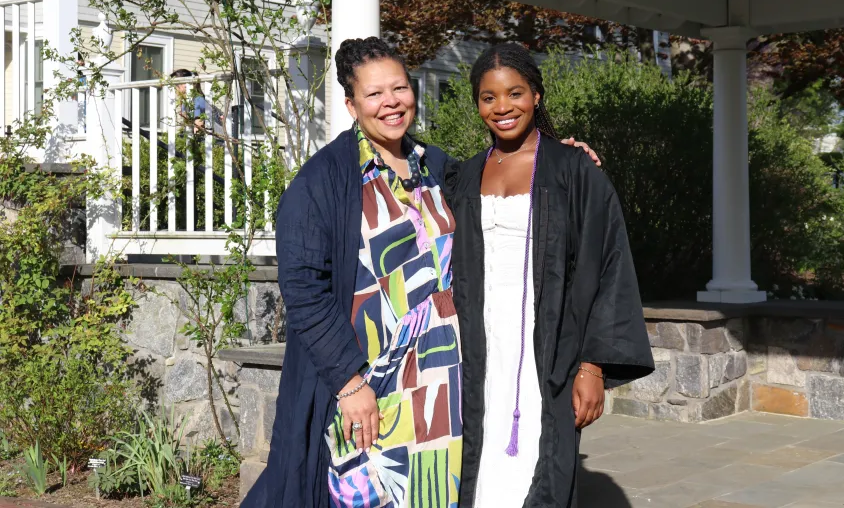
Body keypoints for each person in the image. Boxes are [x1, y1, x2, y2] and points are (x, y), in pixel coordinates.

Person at [242, 37, 600, 508]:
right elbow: (305, 291)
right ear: (351, 105)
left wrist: (558, 157)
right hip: (371, 388)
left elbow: (498, 181)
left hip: (441, 388)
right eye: (374, 94)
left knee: (434, 495)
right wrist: (349, 386)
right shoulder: (322, 182)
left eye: (399, 88)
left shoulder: (434, 167)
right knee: (366, 494)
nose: (391, 102)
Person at [448, 43, 654, 508]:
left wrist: (593, 365)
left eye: (515, 93)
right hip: (476, 350)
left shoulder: (573, 169)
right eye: (488, 98)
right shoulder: (463, 176)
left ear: (537, 95)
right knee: (475, 473)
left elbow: (608, 266)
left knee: (539, 472)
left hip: (550, 353)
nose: (503, 107)